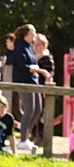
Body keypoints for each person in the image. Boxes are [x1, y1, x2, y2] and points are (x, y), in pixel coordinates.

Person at [10, 24, 51, 153]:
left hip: (34, 81)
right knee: (29, 109)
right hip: (24, 81)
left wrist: (39, 71)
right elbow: (22, 66)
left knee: (38, 109)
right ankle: (23, 140)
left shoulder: (29, 47)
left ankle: (25, 135)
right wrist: (42, 71)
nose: (35, 34)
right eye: (33, 31)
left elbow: (33, 63)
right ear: (27, 33)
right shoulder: (19, 45)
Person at [33, 34, 54, 144]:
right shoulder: (32, 56)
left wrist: (46, 90)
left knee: (40, 113)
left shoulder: (46, 58)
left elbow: (49, 75)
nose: (36, 46)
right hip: (32, 87)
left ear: (44, 45)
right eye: (34, 43)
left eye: (38, 44)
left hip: (42, 88)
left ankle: (41, 137)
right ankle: (34, 135)